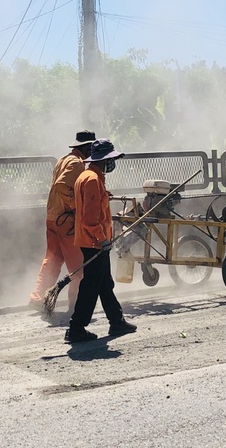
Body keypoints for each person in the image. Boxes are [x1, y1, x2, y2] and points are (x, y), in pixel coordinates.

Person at [66, 138, 137, 343]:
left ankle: (116, 321)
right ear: (103, 160)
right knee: (91, 287)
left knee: (105, 283)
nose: (111, 163)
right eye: (110, 159)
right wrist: (101, 239)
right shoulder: (91, 180)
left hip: (94, 240)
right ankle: (76, 328)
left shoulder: (90, 177)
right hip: (94, 241)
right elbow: (89, 219)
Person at [28, 130, 96, 311]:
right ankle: (77, 304)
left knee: (52, 260)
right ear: (87, 147)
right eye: (91, 147)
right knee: (78, 265)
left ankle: (38, 297)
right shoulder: (76, 163)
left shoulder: (64, 159)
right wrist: (76, 206)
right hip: (65, 221)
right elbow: (61, 185)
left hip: (53, 218)